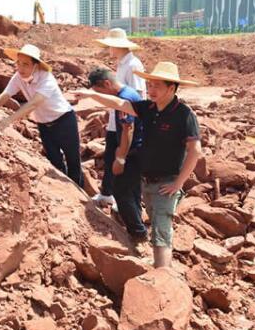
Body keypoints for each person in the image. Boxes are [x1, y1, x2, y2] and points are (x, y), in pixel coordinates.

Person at [71, 62, 202, 268]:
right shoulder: (148, 108)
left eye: (157, 86)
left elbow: (195, 151)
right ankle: (159, 267)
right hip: (147, 181)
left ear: (171, 88)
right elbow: (118, 104)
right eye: (149, 85)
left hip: (166, 185)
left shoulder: (184, 114)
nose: (151, 90)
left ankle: (162, 279)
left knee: (161, 233)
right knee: (156, 226)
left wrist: (178, 184)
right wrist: (89, 95)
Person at [0, 44, 83, 187]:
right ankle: (64, 190)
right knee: (54, 161)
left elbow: (34, 103)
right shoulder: (18, 77)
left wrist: (9, 120)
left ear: (36, 65)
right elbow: (4, 96)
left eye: (26, 64)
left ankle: (79, 194)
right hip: (44, 125)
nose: (21, 68)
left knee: (74, 162)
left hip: (64, 121)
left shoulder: (46, 79)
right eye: (18, 63)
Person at [87, 68, 148, 240]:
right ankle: (138, 220)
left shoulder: (125, 97)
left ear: (107, 84)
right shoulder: (128, 92)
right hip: (139, 149)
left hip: (132, 151)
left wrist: (120, 158)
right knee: (133, 189)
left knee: (121, 191)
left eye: (100, 92)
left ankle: (137, 233)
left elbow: (128, 130)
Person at [92, 28, 147, 210]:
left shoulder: (133, 65)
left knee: (127, 164)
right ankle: (107, 194)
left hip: (127, 122)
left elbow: (137, 96)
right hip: (116, 120)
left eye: (110, 45)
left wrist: (128, 122)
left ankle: (132, 204)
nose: (109, 49)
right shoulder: (121, 63)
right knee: (110, 157)